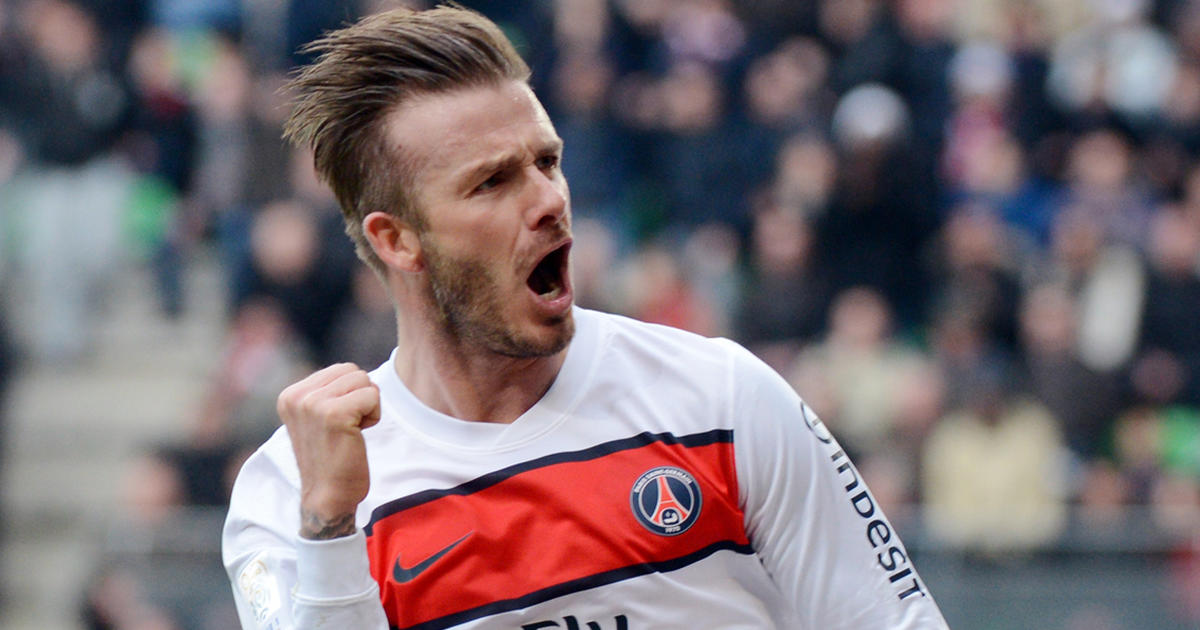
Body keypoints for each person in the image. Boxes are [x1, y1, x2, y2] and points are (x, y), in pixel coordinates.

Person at [221, 7, 949, 629]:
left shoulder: (722, 401)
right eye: (493, 182)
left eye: (547, 161)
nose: (548, 199)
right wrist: (328, 530)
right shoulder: (292, 490)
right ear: (396, 239)